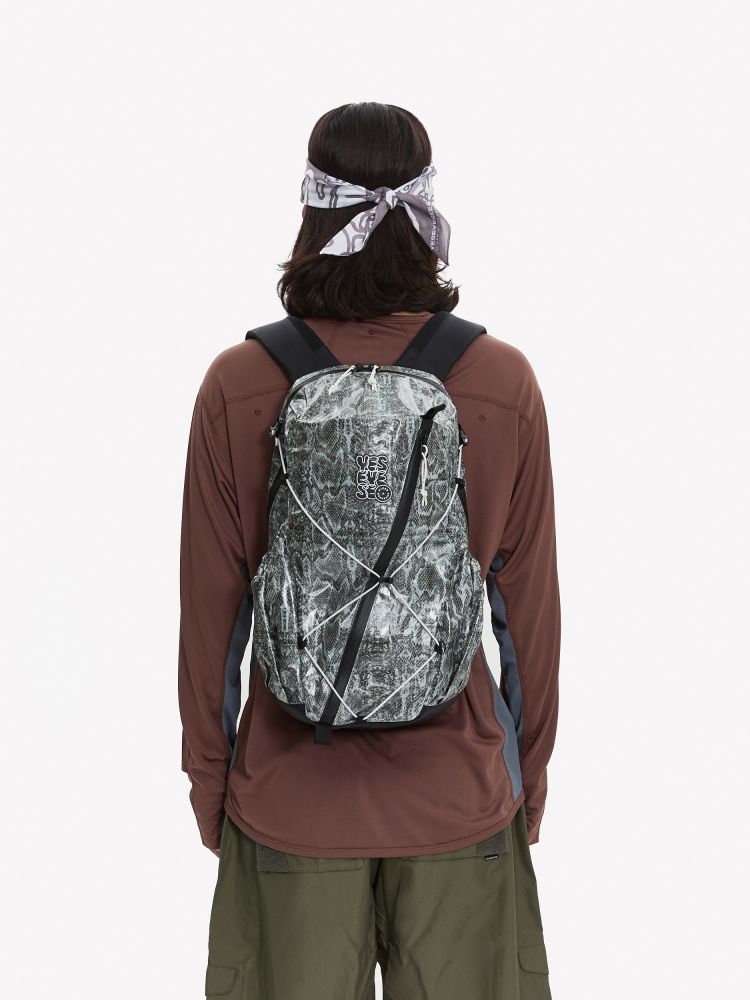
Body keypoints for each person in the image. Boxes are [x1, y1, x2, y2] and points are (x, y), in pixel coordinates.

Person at [178, 102, 561, 1000]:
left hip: (290, 805)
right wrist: (526, 786)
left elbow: (211, 621)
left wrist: (214, 788)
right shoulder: (500, 381)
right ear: (426, 213)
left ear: (311, 211)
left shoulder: (238, 384)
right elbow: (528, 614)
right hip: (459, 802)